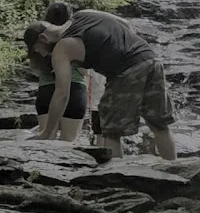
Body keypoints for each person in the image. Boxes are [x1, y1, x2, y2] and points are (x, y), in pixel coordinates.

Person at [25, 9, 177, 160]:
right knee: (160, 125)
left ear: (43, 38)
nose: (43, 55)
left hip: (123, 72)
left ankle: (115, 179)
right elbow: (126, 23)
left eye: (37, 50)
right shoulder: (85, 14)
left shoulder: (62, 48)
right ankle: (175, 174)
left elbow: (62, 93)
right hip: (150, 59)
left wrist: (48, 132)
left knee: (111, 132)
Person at [26, 1, 87, 142]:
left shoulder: (38, 36)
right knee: (69, 142)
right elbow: (84, 71)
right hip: (74, 88)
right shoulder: (75, 35)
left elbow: (35, 71)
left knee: (45, 140)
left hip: (46, 90)